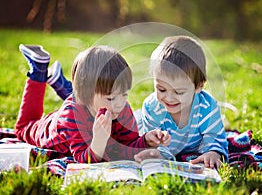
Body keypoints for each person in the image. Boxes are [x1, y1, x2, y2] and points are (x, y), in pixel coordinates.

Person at [15, 44, 170, 163]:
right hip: (46, 129)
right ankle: (38, 70)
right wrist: (99, 142)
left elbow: (126, 147)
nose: (119, 104)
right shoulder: (71, 115)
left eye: (124, 94)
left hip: (85, 107)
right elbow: (82, 160)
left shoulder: (122, 108)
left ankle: (59, 82)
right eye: (110, 98)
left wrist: (146, 141)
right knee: (22, 128)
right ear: (86, 96)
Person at [136, 36, 228, 169]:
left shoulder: (207, 108)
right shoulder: (152, 107)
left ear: (198, 86)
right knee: (134, 130)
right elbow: (153, 142)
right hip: (149, 128)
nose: (169, 98)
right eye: (161, 89)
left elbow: (214, 137)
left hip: (194, 143)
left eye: (178, 92)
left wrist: (212, 152)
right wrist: (157, 153)